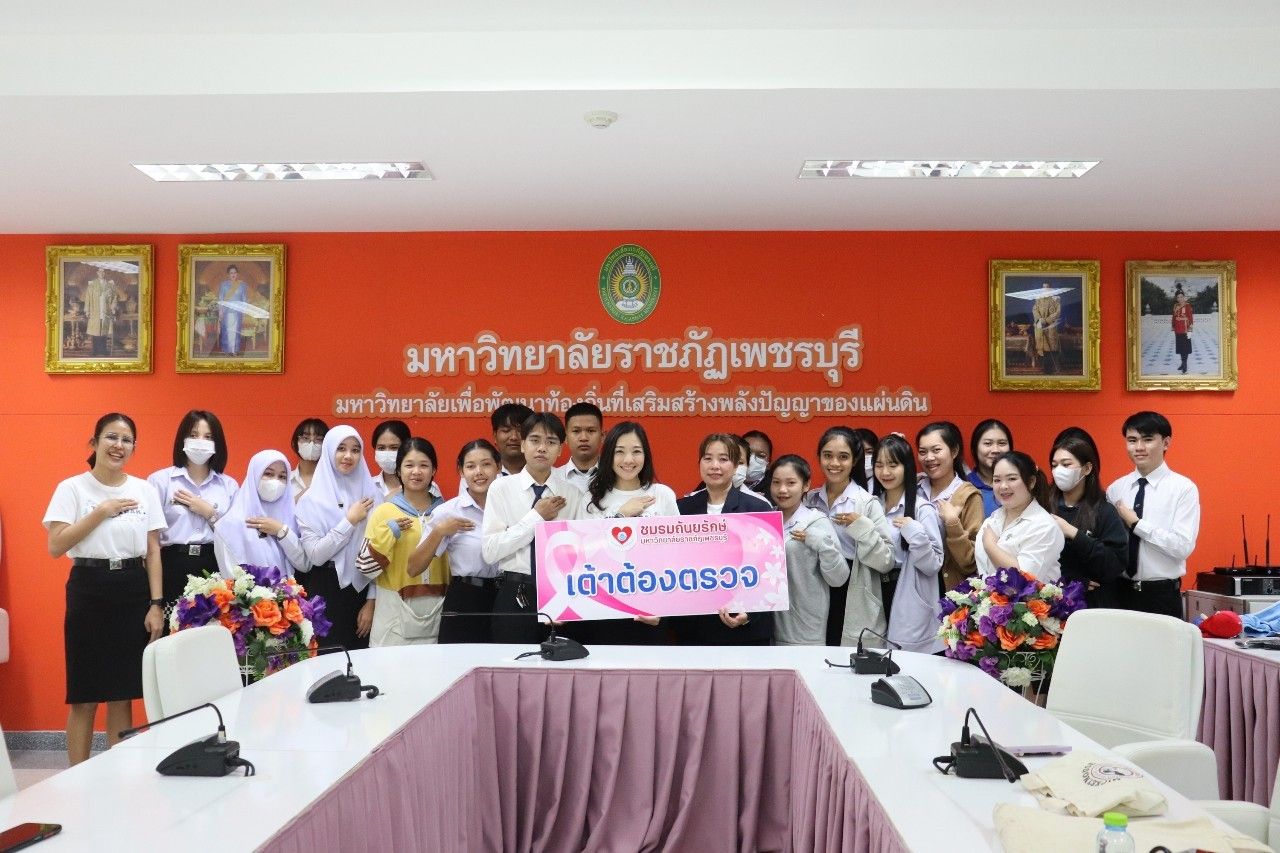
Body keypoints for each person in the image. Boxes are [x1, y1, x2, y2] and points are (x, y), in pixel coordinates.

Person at [43, 413, 166, 765]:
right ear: (94, 443)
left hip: (131, 589)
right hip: (89, 589)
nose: (118, 446)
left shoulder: (144, 490)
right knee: (84, 696)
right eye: (111, 437)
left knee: (121, 695)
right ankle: (77, 776)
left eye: (127, 440)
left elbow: (153, 551)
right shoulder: (72, 488)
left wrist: (156, 604)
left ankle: (117, 777)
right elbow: (56, 546)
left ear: (133, 448)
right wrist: (101, 512)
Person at [482, 412, 584, 644]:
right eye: (535, 440)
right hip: (514, 591)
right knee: (511, 662)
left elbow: (579, 554)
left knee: (563, 663)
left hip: (561, 591)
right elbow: (490, 551)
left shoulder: (573, 494)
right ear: (523, 445)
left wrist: (567, 599)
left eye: (551, 442)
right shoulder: (501, 488)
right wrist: (536, 517)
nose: (542, 448)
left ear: (560, 449)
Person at [673, 433, 775, 646]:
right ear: (699, 463)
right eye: (708, 458)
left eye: (723, 459)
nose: (715, 466)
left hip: (742, 630)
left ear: (736, 466)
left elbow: (770, 572)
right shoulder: (681, 509)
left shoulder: (757, 509)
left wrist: (750, 613)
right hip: (693, 630)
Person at [581, 421, 677, 644]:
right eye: (620, 452)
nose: (628, 460)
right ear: (608, 456)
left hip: (651, 608)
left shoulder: (662, 494)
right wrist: (621, 516)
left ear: (646, 455)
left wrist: (663, 608)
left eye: (636, 452)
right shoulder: (592, 499)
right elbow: (586, 554)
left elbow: (675, 556)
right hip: (604, 607)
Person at [805, 427, 894, 646]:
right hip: (815, 585)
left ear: (854, 460)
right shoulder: (809, 499)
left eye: (843, 457)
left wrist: (862, 527)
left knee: (846, 656)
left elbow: (887, 561)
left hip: (853, 590)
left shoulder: (866, 503)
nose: (834, 463)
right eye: (827, 455)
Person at [296, 425, 383, 649]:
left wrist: (372, 601)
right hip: (325, 590)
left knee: (364, 661)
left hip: (363, 590)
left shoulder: (373, 495)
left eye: (355, 450)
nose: (348, 456)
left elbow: (380, 553)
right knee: (327, 659)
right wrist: (349, 521)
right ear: (329, 451)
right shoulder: (310, 500)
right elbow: (316, 555)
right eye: (341, 448)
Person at [1106, 411, 1200, 618]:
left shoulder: (1183, 489)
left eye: (1147, 440)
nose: (1139, 447)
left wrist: (1136, 524)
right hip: (1118, 592)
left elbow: (1182, 547)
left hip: (1161, 596)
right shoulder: (1115, 489)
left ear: (1166, 443)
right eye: (1132, 440)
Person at [146, 410, 238, 616]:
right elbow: (150, 544)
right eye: (194, 435)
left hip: (213, 566)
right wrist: (155, 601)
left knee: (212, 630)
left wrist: (210, 513)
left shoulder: (229, 485)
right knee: (172, 629)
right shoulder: (160, 481)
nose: (200, 442)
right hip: (172, 567)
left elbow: (235, 539)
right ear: (182, 439)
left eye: (208, 437)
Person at [359, 438, 448, 647]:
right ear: (398, 470)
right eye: (409, 465)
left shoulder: (446, 512)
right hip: (392, 614)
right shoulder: (384, 512)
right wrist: (388, 534)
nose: (416, 471)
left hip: (439, 611)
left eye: (424, 465)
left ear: (434, 470)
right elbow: (365, 567)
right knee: (390, 667)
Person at [872, 434, 945, 654]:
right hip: (876, 590)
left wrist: (914, 532)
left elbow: (933, 565)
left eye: (893, 465)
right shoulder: (872, 506)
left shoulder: (923, 509)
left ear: (907, 467)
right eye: (879, 465)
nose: (885, 472)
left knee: (907, 662)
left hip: (908, 592)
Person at [767, 455, 848, 646]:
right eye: (776, 482)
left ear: (806, 485)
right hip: (768, 625)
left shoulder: (816, 522)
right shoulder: (765, 521)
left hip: (804, 629)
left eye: (791, 483)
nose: (782, 490)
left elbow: (839, 578)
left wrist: (822, 544)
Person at [427, 440, 502, 644]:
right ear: (461, 471)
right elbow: (413, 566)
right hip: (466, 598)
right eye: (470, 466)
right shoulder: (448, 511)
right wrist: (439, 531)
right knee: (461, 660)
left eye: (486, 464)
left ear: (498, 467)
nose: (479, 472)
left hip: (506, 597)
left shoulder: (512, 507)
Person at [1048, 430, 1126, 608]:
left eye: (1066, 464)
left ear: (1087, 468)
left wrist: (1074, 534)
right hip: (1050, 605)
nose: (1058, 470)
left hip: (1095, 606)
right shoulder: (1044, 507)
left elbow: (1114, 564)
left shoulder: (1104, 510)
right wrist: (1070, 580)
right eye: (1054, 465)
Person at [212, 449, 307, 578]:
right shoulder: (229, 524)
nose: (275, 481)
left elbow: (304, 564)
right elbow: (231, 580)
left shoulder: (291, 518)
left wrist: (282, 531)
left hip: (289, 589)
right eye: (268, 474)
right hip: (249, 591)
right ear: (254, 475)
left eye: (282, 477)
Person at [975, 451, 1064, 582]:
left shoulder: (1044, 525)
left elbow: (1024, 579)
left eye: (1012, 479)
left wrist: (990, 546)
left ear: (1031, 482)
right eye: (997, 480)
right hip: (988, 595)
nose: (1003, 486)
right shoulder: (992, 520)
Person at [917, 421, 983, 592]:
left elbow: (970, 562)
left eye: (936, 450)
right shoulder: (914, 490)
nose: (929, 458)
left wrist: (953, 524)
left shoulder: (968, 495)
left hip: (949, 589)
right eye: (923, 452)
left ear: (954, 451)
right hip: (915, 588)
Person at [966, 419, 1014, 518]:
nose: (995, 450)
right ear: (974, 449)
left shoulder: (1021, 484)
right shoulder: (964, 486)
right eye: (988, 443)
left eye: (1002, 443)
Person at [557, 401, 604, 494]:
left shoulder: (616, 477)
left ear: (602, 436)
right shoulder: (553, 478)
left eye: (591, 431)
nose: (583, 438)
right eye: (576, 431)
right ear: (565, 438)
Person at [491, 402, 535, 476]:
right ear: (495, 436)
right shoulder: (484, 477)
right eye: (506, 430)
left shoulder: (546, 475)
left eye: (521, 431)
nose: (514, 437)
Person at [289, 418, 328, 501]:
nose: (311, 444)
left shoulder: (332, 481)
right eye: (305, 438)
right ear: (294, 443)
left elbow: (341, 506)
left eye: (319, 439)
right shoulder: (285, 480)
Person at [83, 269, 119, 356]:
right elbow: (87, 298)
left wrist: (113, 308)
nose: (101, 273)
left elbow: (114, 297)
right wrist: (87, 310)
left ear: (105, 273)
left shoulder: (110, 285)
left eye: (103, 272)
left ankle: (103, 351)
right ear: (97, 273)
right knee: (95, 331)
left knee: (104, 331)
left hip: (106, 311)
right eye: (100, 272)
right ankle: (95, 351)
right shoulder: (92, 285)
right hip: (95, 311)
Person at [216, 265, 248, 356]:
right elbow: (221, 298)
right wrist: (220, 311)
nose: (233, 274)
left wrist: (244, 311)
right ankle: (227, 350)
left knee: (235, 331)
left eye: (235, 273)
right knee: (227, 331)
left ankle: (234, 350)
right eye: (231, 273)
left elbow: (244, 299)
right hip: (226, 312)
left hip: (238, 312)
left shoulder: (242, 285)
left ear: (237, 274)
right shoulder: (223, 285)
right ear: (228, 275)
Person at [1033, 281, 1061, 374]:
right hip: (1040, 326)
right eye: (1043, 287)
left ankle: (1052, 368)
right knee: (1042, 347)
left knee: (1051, 347)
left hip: (1050, 327)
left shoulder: (1055, 299)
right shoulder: (1038, 299)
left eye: (1047, 287)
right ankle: (1044, 368)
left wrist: (1046, 320)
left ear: (1050, 288)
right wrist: (1040, 319)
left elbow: (1057, 312)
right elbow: (1034, 310)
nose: (1045, 289)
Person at [1172, 289, 1194, 374]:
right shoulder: (1175, 306)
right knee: (1181, 347)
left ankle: (1184, 364)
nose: (1180, 299)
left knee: (1186, 348)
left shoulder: (1188, 306)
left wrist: (1190, 329)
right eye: (1178, 297)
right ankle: (1182, 363)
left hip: (1186, 330)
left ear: (1184, 297)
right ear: (1176, 298)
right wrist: (1173, 325)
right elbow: (1173, 317)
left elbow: (1190, 318)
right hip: (1178, 330)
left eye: (1181, 297)